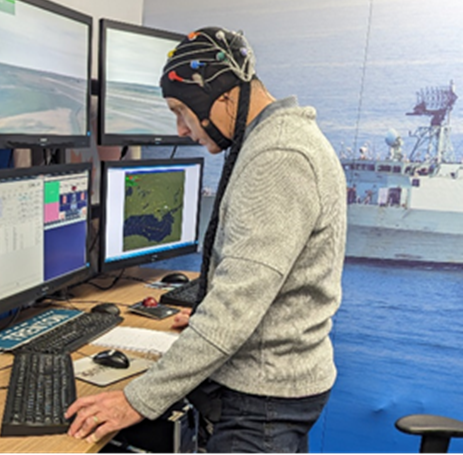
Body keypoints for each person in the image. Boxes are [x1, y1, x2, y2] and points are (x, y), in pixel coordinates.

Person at [66, 27, 347, 454]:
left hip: (262, 400)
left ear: (222, 97)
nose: (180, 129)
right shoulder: (275, 141)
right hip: (272, 386)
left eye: (181, 110)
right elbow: (252, 286)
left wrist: (134, 400)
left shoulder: (278, 157)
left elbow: (235, 310)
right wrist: (203, 311)